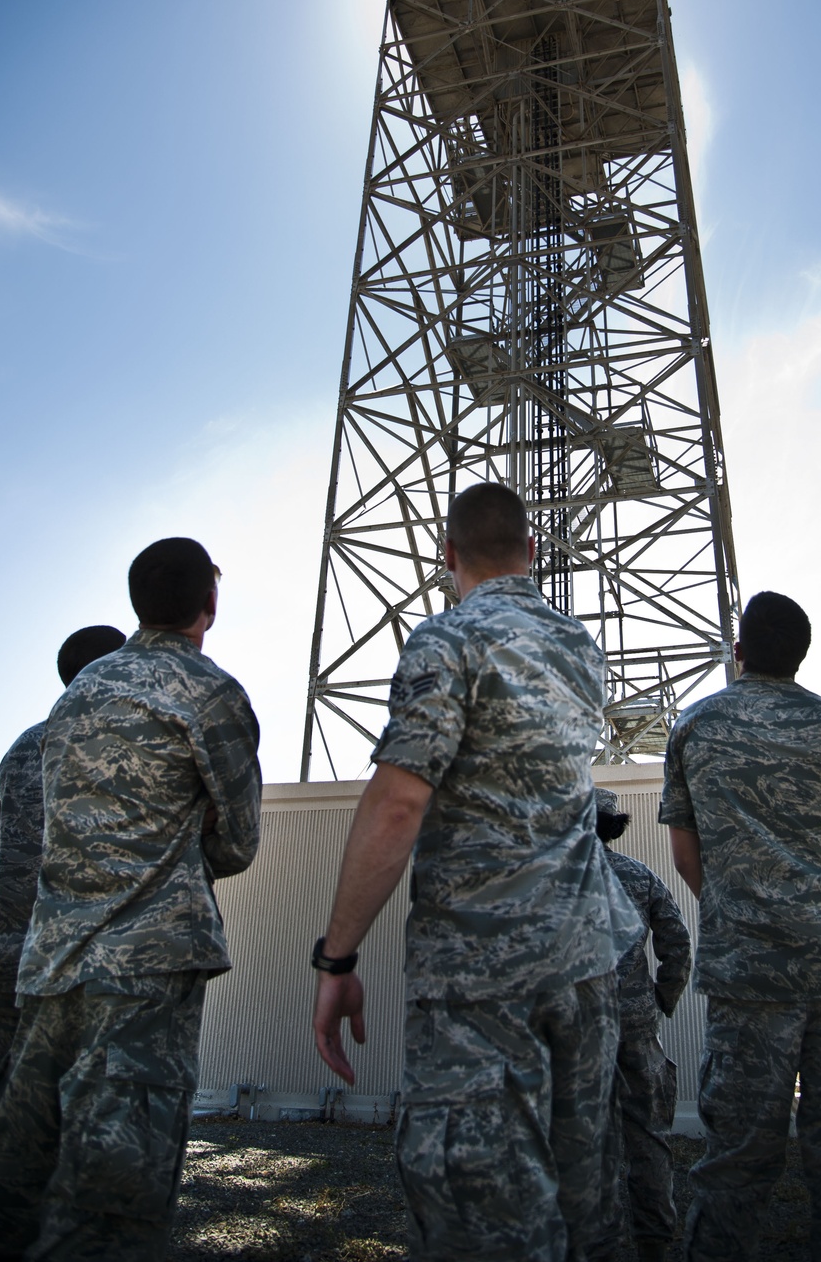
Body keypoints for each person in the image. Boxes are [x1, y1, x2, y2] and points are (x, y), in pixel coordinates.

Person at [311, 483, 642, 1262]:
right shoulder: (580, 647)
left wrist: (338, 956)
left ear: (447, 554)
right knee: (582, 1194)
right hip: (586, 961)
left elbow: (397, 805)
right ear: (532, 552)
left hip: (480, 975)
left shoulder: (446, 640)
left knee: (480, 1210)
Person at [0, 537, 262, 1262]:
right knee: (115, 1193)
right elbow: (237, 843)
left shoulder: (74, 697)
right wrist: (183, 830)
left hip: (51, 967)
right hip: (144, 977)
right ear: (211, 600)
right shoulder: (210, 693)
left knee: (21, 1178)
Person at [659, 591, 821, 1262]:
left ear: (738, 650)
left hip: (749, 976)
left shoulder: (696, 727)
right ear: (801, 653)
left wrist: (744, 916)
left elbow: (686, 855)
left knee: (734, 1165)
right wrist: (820, 916)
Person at [0, 625, 126, 1099]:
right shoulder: (120, 745)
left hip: (11, 950)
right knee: (84, 1103)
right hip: (84, 957)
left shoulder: (24, 746)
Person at [594, 788, 692, 1262]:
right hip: (635, 1026)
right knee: (649, 1140)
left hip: (573, 1034)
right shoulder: (640, 876)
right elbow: (678, 942)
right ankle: (655, 1244)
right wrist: (660, 999)